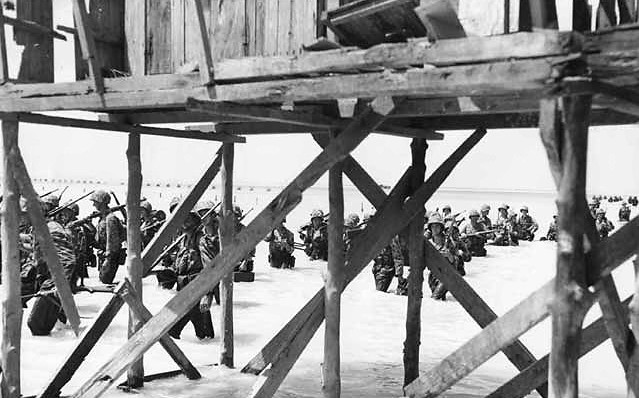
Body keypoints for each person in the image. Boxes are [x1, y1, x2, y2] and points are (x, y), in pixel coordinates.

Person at [27, 199, 77, 336]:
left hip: (53, 283)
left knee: (36, 326)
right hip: (48, 279)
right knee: (47, 327)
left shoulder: (51, 228)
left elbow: (68, 259)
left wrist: (56, 287)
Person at [168, 212, 215, 340]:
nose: (184, 224)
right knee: (203, 328)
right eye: (182, 220)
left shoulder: (201, 240)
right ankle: (206, 341)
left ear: (195, 222)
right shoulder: (183, 240)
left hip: (197, 286)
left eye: (188, 221)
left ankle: (171, 335)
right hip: (183, 285)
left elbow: (210, 267)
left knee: (180, 318)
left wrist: (207, 293)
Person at [427, 213, 466, 301]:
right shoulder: (429, 243)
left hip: (446, 275)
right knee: (440, 300)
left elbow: (456, 262)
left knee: (434, 298)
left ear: (441, 228)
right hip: (433, 276)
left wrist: (449, 255)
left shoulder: (449, 242)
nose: (435, 228)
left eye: (437, 226)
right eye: (433, 226)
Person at [90, 190, 125, 284]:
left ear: (101, 202)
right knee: (102, 280)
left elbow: (112, 241)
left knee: (105, 281)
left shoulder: (110, 219)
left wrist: (108, 259)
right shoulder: (103, 218)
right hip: (104, 255)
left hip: (110, 257)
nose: (93, 205)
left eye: (95, 202)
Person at [197, 200, 220, 304]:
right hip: (206, 275)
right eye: (201, 214)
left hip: (220, 272)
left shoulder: (221, 232)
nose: (203, 217)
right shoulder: (200, 234)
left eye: (206, 214)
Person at [233, 206, 255, 273]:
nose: (234, 219)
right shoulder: (225, 229)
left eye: (236, 216)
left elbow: (251, 248)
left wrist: (245, 261)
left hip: (243, 259)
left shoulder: (245, 230)